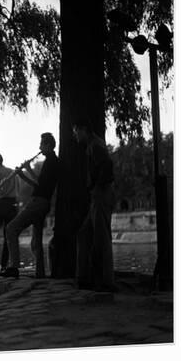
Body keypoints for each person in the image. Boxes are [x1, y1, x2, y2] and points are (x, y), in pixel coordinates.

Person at [1, 133, 59, 279]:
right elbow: (39, 185)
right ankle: (40, 272)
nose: (39, 147)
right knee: (36, 240)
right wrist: (22, 176)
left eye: (41, 144)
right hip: (42, 202)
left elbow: (41, 183)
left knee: (11, 228)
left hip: (38, 203)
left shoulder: (51, 161)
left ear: (48, 145)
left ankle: (14, 267)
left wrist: (29, 168)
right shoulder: (51, 161)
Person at [73, 120, 116, 292]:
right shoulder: (94, 144)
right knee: (84, 234)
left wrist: (97, 187)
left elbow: (107, 167)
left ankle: (106, 281)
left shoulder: (95, 146)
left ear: (84, 129)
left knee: (102, 237)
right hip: (98, 194)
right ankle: (86, 277)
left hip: (101, 194)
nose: (74, 135)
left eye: (75, 131)